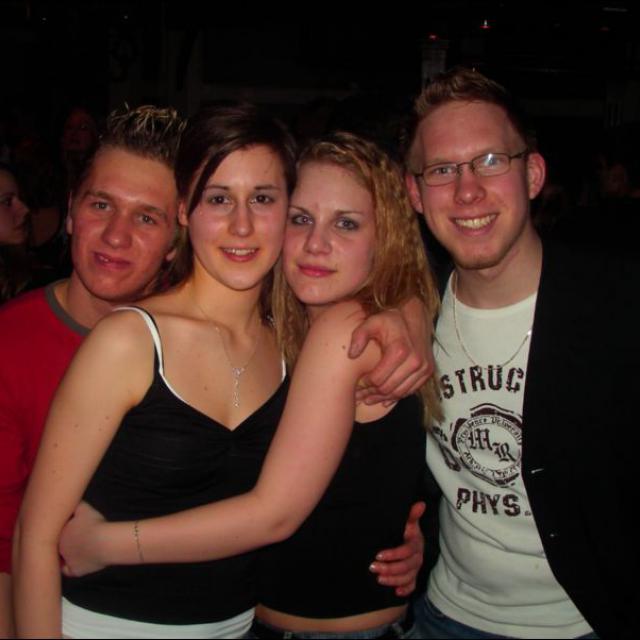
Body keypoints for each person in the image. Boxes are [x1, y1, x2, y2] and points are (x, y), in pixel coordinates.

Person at [14, 108, 431, 639]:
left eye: (263, 199)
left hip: (240, 628)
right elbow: (35, 536)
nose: (242, 225)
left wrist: (408, 312)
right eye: (218, 199)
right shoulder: (128, 341)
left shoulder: (288, 342)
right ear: (184, 212)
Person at [404, 66, 639, 639]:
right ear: (415, 194)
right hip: (444, 617)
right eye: (442, 170)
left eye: (490, 161)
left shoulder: (618, 303)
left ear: (532, 174)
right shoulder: (411, 309)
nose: (467, 191)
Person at [0, 104, 184, 639]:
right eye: (101, 205)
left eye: (146, 217)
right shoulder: (10, 342)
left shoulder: (204, 340)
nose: (115, 235)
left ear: (175, 242)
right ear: (70, 213)